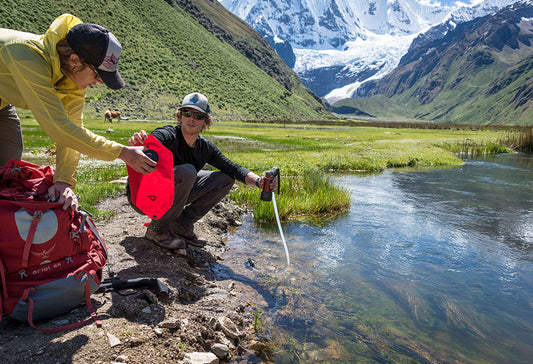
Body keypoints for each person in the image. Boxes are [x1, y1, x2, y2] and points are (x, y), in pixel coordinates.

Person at [0, 14, 155, 210]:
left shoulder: (71, 78)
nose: (99, 82)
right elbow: (59, 128)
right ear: (75, 60)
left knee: (8, 169)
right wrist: (123, 153)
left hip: (2, 104)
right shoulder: (27, 56)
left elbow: (72, 128)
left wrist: (63, 182)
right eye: (98, 75)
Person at [127, 92, 274, 250]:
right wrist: (141, 143)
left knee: (225, 178)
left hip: (171, 194)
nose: (191, 118)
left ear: (205, 121)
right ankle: (157, 230)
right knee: (188, 171)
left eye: (198, 115)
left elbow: (233, 168)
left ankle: (182, 225)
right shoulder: (168, 135)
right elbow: (153, 141)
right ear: (180, 116)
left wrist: (259, 181)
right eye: (187, 113)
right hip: (144, 196)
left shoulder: (205, 147)